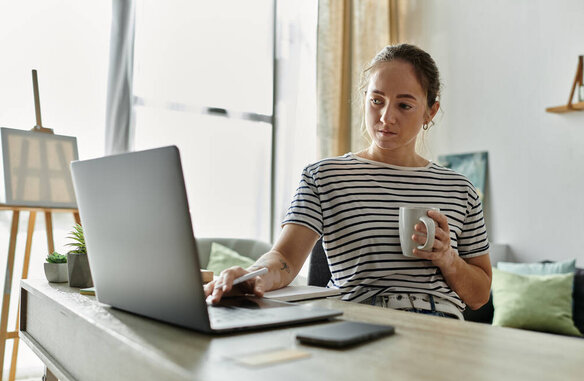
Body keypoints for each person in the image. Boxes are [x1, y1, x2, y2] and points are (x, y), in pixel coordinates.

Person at [204, 43, 492, 319]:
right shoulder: (323, 176)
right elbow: (285, 259)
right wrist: (253, 276)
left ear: (430, 111)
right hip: (359, 318)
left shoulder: (461, 190)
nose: (386, 117)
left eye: (404, 105)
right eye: (377, 101)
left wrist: (448, 259)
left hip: (440, 327)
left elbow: (479, 297)